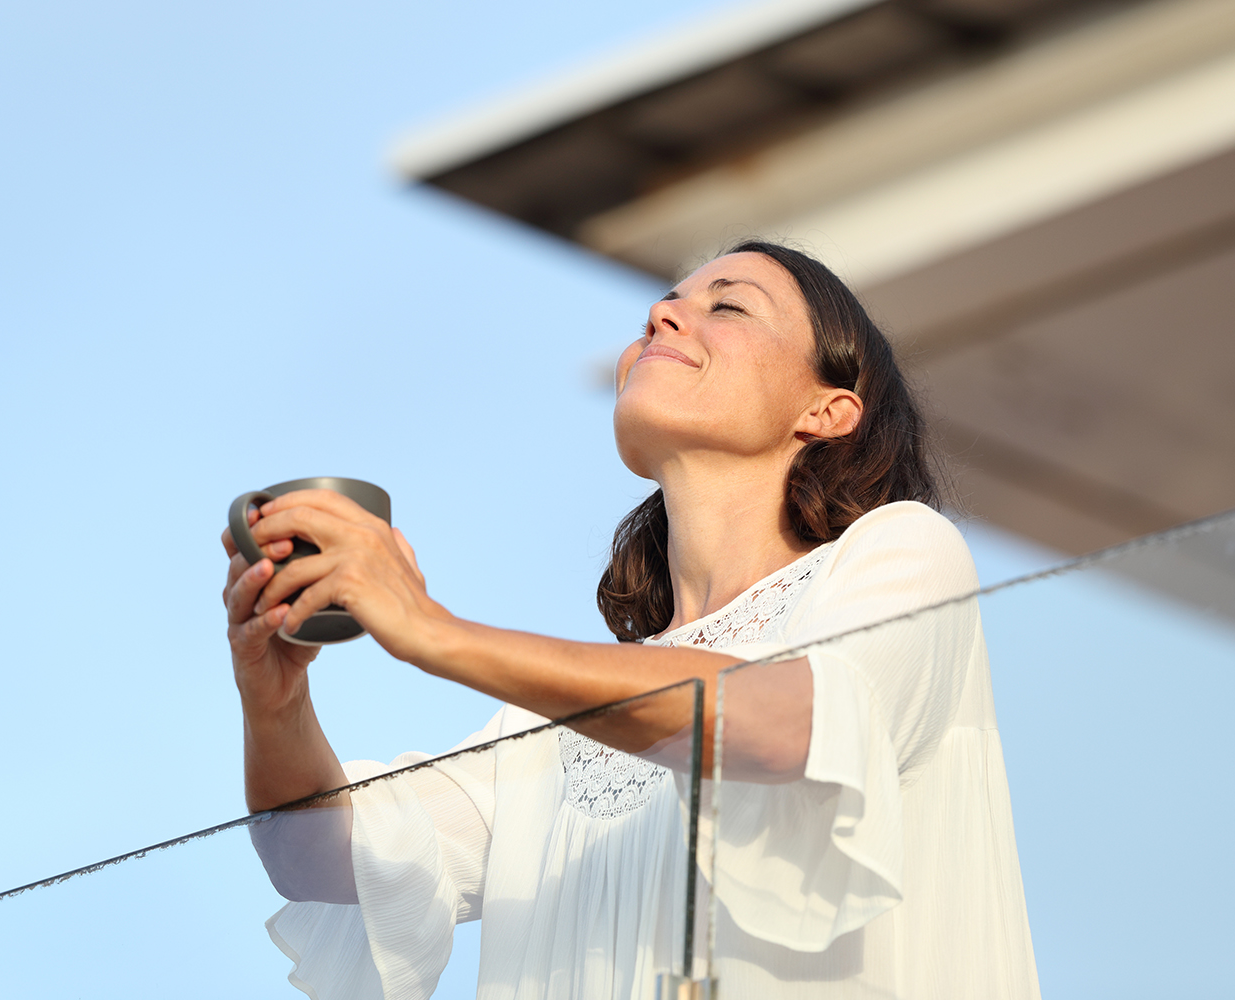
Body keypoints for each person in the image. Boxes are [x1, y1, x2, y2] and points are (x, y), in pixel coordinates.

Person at [222, 241, 1041, 999]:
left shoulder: (901, 553)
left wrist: (431, 629)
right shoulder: (548, 727)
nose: (662, 317)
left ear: (828, 410)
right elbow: (318, 858)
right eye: (664, 302)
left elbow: (791, 720)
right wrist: (274, 696)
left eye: (730, 304)